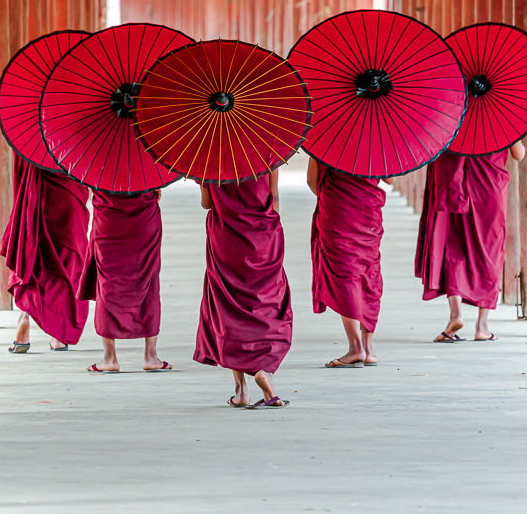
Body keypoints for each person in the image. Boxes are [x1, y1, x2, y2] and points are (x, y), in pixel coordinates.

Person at [195, 171, 293, 409]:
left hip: (225, 236)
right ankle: (265, 371)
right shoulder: (267, 149)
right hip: (263, 234)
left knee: (229, 304)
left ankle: (241, 390)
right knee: (270, 300)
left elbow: (207, 204)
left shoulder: (208, 157)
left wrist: (202, 183)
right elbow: (274, 197)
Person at [414, 142, 526, 343]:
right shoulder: (501, 118)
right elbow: (519, 155)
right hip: (489, 186)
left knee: (454, 247)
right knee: (490, 251)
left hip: (452, 183)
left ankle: (455, 314)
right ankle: (482, 326)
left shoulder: (453, 114)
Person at [1, 156, 92, 353]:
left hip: (40, 191)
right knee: (70, 262)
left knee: (32, 256)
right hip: (70, 193)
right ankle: (59, 336)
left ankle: (24, 318)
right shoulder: (76, 126)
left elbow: (22, 160)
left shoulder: (32, 128)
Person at [80, 190, 171, 373]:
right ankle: (151, 356)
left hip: (108, 215)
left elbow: (89, 180)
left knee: (107, 280)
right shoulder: (148, 159)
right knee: (148, 279)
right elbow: (158, 177)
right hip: (144, 214)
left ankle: (110, 358)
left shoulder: (100, 160)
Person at [307, 157, 385, 368]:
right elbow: (391, 179)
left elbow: (312, 181)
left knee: (344, 272)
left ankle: (355, 347)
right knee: (369, 272)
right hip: (369, 210)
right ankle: (368, 349)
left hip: (337, 210)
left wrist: (335, 196)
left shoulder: (323, 136)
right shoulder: (378, 138)